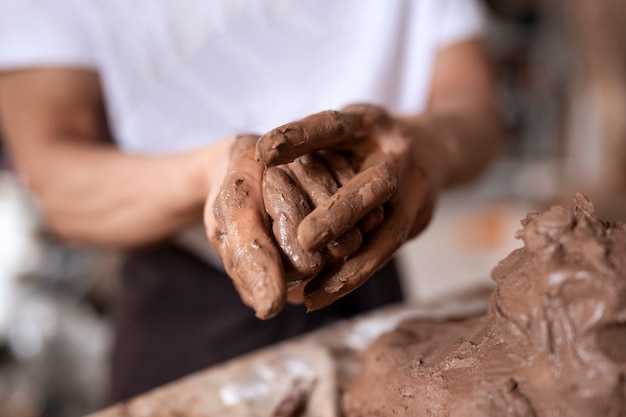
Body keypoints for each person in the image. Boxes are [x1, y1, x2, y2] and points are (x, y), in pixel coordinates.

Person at [0, 0, 501, 402]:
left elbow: (473, 106)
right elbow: (53, 181)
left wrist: (422, 146)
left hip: (368, 265)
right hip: (183, 304)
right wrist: (214, 174)